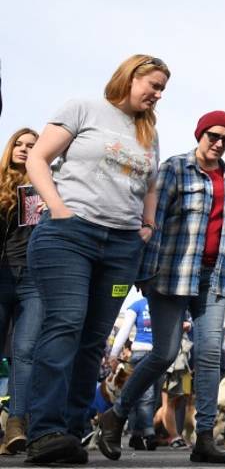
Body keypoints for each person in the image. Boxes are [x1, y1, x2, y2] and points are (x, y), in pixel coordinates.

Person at [23, 54, 169, 465]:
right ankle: (44, 431)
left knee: (93, 342)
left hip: (122, 249)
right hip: (70, 236)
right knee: (66, 323)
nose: (156, 95)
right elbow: (38, 158)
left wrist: (148, 224)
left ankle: (70, 433)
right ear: (131, 75)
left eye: (162, 90)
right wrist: (58, 209)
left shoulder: (149, 131)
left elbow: (151, 184)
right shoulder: (83, 108)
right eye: (153, 85)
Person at [94, 110, 225, 463]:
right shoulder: (175, 169)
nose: (219, 143)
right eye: (213, 136)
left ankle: (205, 438)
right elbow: (153, 221)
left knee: (208, 356)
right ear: (200, 134)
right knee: (164, 353)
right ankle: (115, 415)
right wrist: (144, 273)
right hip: (171, 275)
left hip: (215, 276)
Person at [0, 128, 42, 455]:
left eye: (32, 145)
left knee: (24, 351)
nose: (25, 149)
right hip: (0, 277)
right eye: (20, 144)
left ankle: (16, 423)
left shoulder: (42, 186)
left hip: (32, 279)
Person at [107, 296, 160, 450]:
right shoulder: (136, 305)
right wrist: (114, 353)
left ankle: (135, 435)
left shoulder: (163, 304)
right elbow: (125, 330)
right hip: (141, 353)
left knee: (152, 397)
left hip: (160, 355)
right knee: (147, 396)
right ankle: (149, 435)